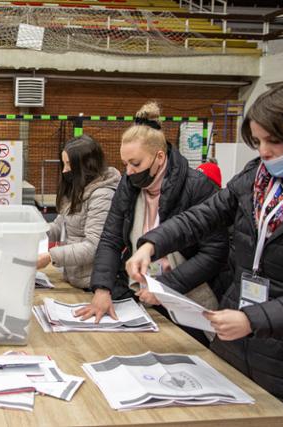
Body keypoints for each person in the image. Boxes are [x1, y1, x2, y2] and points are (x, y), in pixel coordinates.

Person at [126, 84, 283, 426]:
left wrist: (254, 320)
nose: (265, 152)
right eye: (258, 142)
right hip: (235, 347)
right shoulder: (255, 181)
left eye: (275, 141)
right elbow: (202, 217)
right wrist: (151, 243)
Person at [75, 102, 228, 339]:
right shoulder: (129, 186)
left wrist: (167, 287)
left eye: (136, 164)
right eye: (125, 163)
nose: (129, 172)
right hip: (144, 294)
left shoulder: (198, 187)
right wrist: (102, 288)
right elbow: (111, 238)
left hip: (189, 297)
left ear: (159, 157)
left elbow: (214, 252)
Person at [37, 135, 121, 290]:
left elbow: (93, 247)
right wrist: (34, 235)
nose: (64, 170)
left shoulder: (103, 195)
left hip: (92, 283)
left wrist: (51, 256)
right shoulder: (78, 187)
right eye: (64, 164)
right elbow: (60, 224)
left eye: (69, 164)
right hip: (73, 277)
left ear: (86, 165)